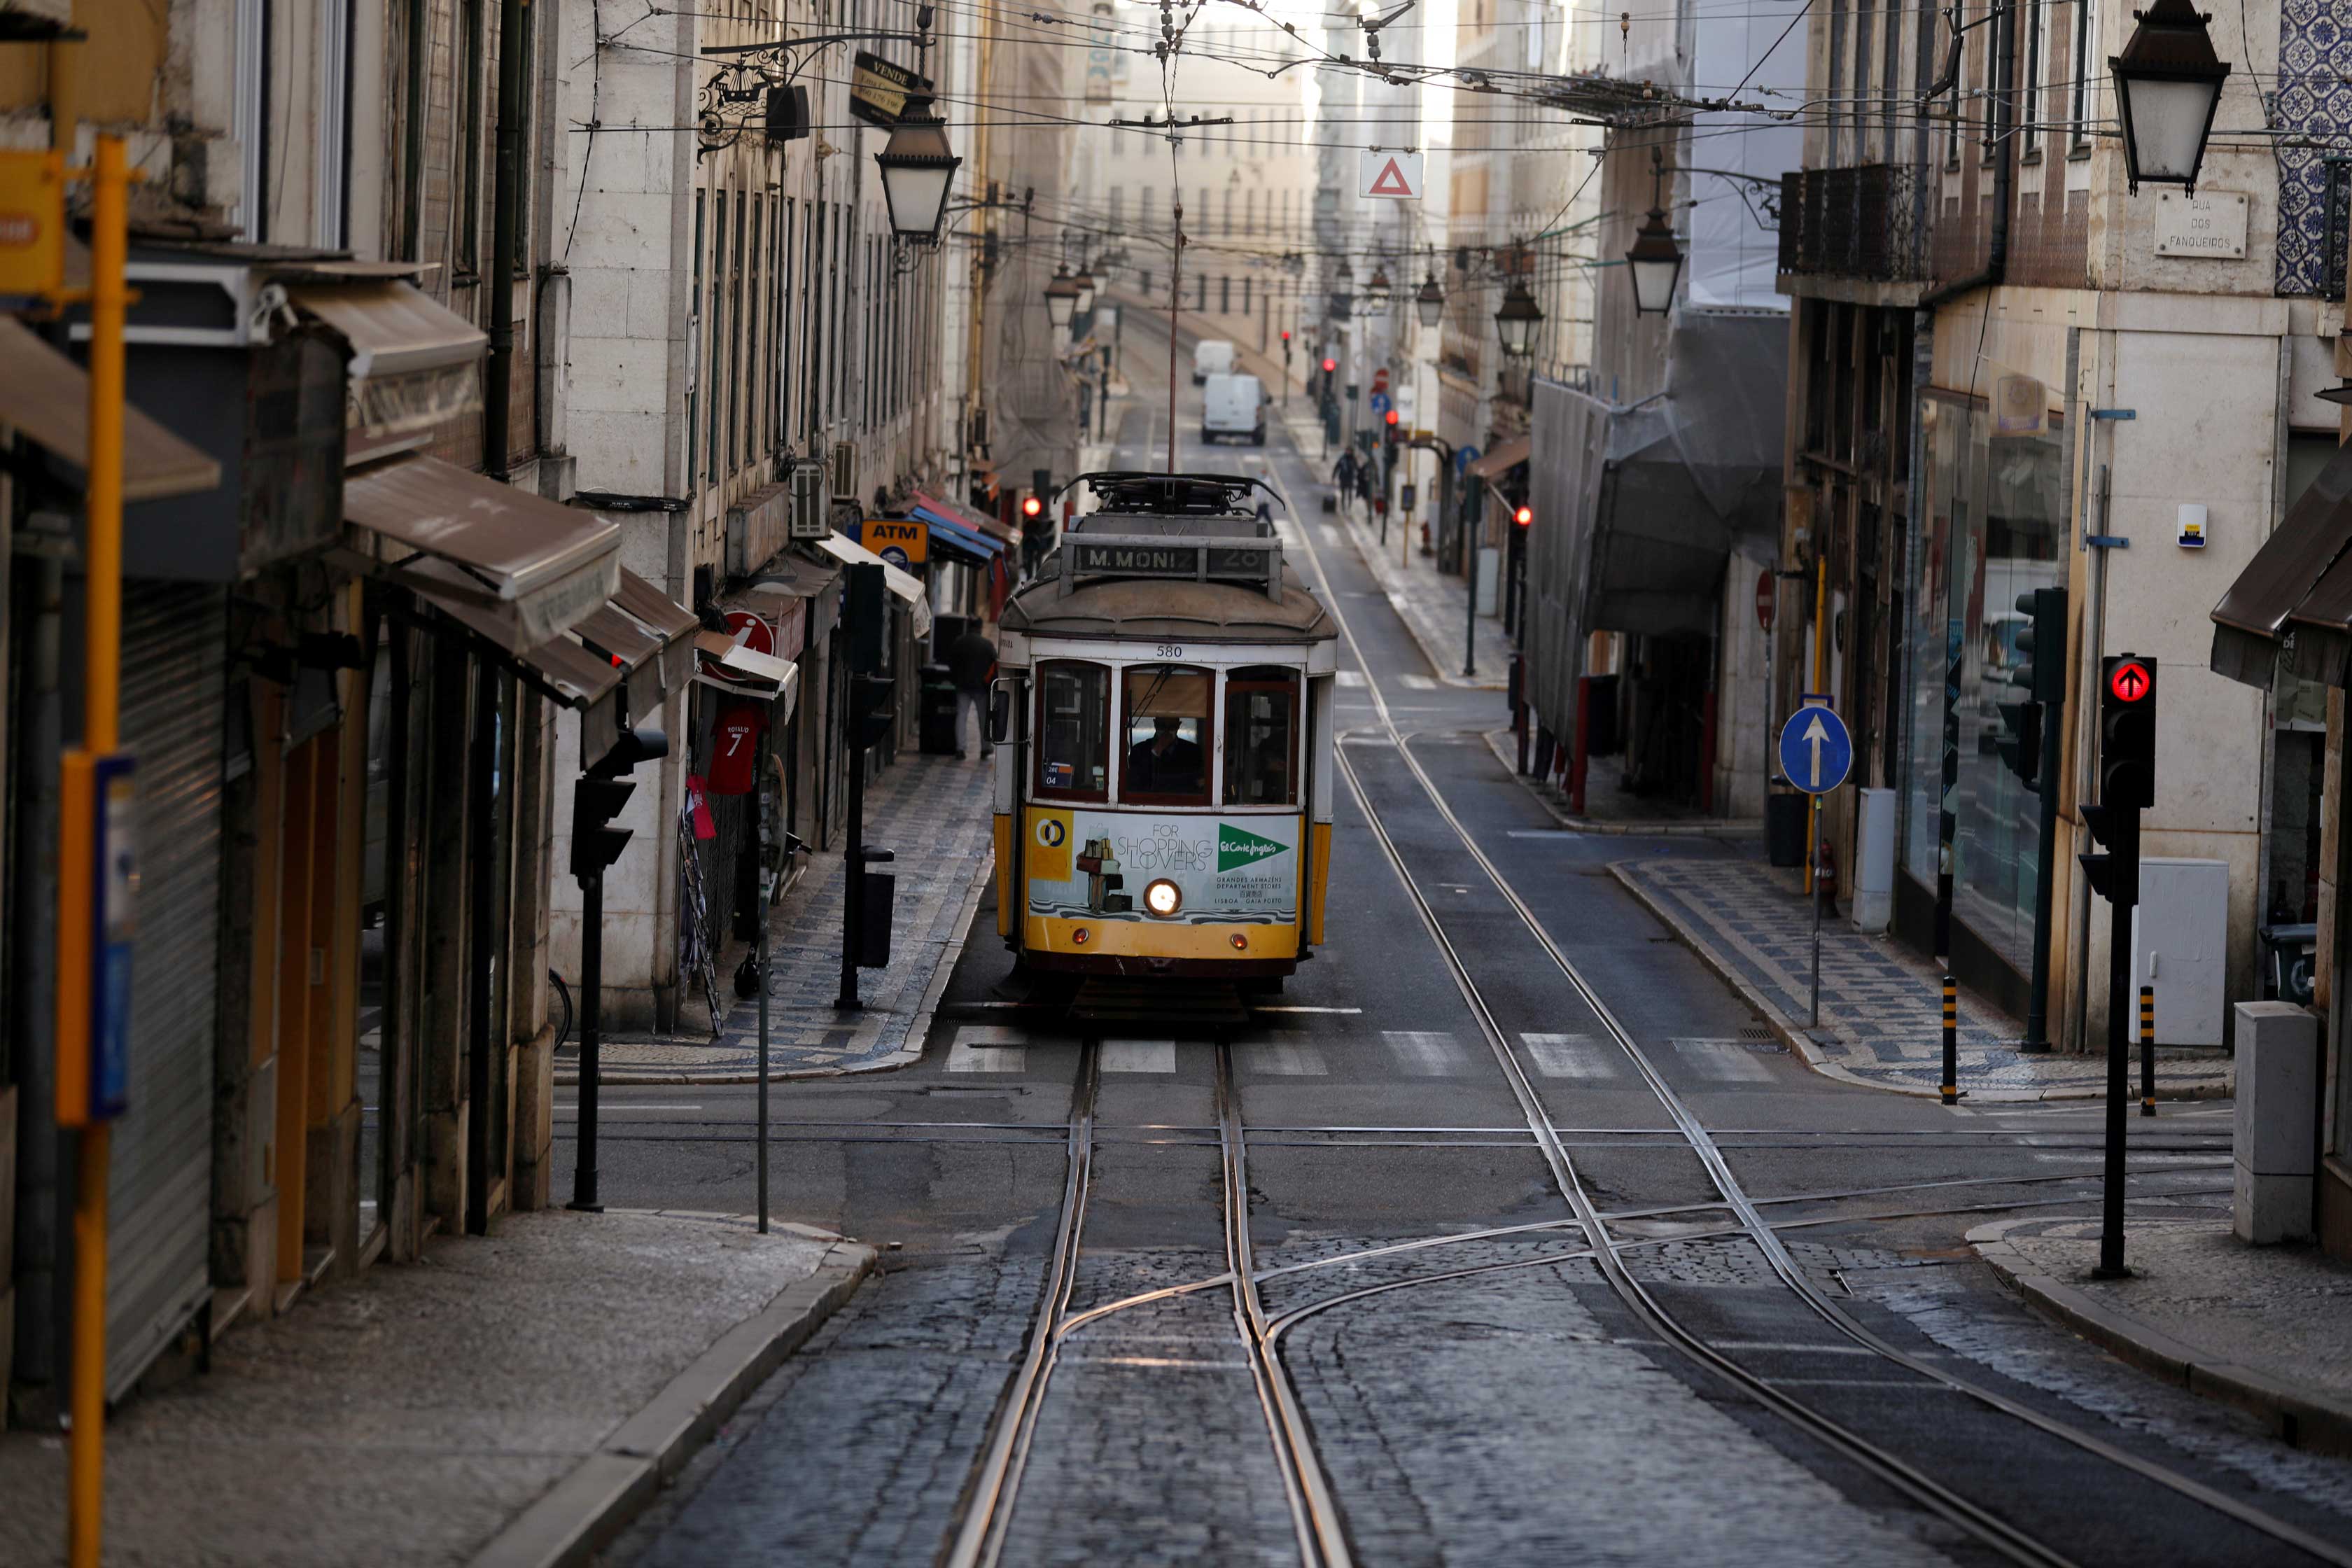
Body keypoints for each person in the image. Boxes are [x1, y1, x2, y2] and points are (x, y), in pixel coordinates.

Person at [945, 623, 998, 760]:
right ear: (980, 629)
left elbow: (950, 661)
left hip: (962, 686)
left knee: (961, 716)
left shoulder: (959, 642)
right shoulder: (987, 644)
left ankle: (960, 749)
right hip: (981, 686)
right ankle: (985, 748)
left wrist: (955, 678)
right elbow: (996, 662)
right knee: (983, 718)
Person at [1126, 715, 1203, 794]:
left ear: (1178, 726)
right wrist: (1156, 751)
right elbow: (1136, 783)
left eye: (1172, 727)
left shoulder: (1192, 752)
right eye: (1162, 726)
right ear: (1155, 724)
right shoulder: (1139, 750)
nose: (1167, 731)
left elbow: (1197, 784)